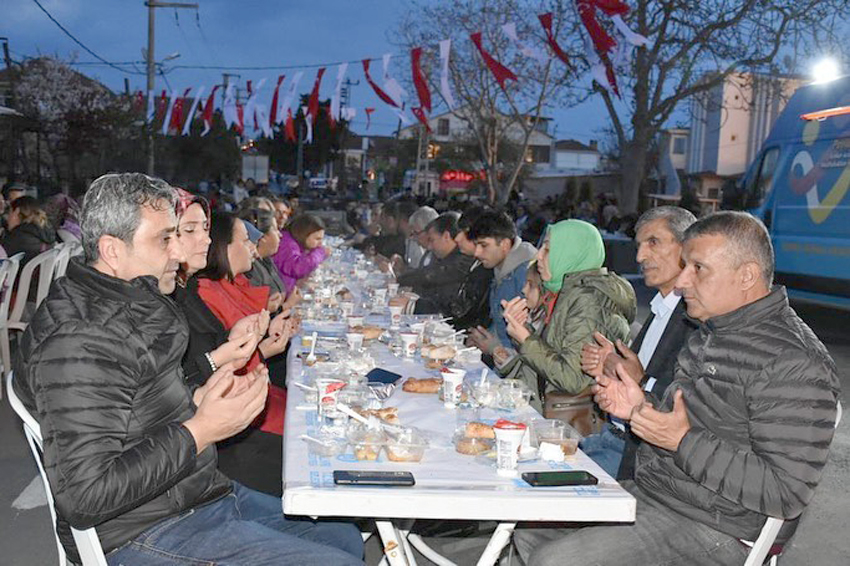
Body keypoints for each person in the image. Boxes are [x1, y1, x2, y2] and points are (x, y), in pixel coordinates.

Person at [13, 173, 364, 566]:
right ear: (113, 250)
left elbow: (140, 404)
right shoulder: (79, 337)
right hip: (138, 531)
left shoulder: (132, 302)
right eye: (165, 239)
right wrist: (200, 430)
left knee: (344, 538)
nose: (178, 253)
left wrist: (204, 391)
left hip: (193, 495)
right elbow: (85, 495)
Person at [515, 211, 841, 566]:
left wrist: (682, 442)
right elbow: (689, 419)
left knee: (557, 560)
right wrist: (640, 404)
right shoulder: (711, 331)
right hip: (661, 493)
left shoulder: (794, 361)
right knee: (530, 528)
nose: (683, 281)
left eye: (697, 268)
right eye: (684, 266)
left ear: (747, 275)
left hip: (718, 526)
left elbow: (785, 492)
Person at [579, 206, 696, 478]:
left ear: (686, 248)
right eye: (639, 246)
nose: (640, 256)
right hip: (611, 438)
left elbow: (689, 404)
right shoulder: (661, 310)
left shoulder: (695, 319)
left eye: (653, 242)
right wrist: (609, 372)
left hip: (636, 460)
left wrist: (640, 380)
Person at [466, 210, 537, 348]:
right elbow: (500, 324)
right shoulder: (500, 268)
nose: (476, 253)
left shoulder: (527, 275)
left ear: (504, 244)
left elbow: (531, 339)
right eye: (476, 245)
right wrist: (481, 338)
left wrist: (494, 348)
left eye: (484, 245)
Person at [396, 212, 474, 316]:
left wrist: (399, 281)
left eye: (432, 240)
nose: (429, 247)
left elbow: (430, 276)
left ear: (446, 236)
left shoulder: (463, 260)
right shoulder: (445, 258)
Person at [448, 205, 493, 330]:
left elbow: (466, 316)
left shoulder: (488, 270)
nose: (457, 238)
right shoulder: (475, 263)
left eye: (465, 232)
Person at [272, 213, 328, 293]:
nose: (320, 244)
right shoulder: (287, 244)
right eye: (317, 239)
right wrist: (320, 252)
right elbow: (298, 267)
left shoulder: (295, 243)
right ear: (303, 235)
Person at [240, 208, 288, 296]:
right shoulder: (250, 269)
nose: (280, 235)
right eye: (275, 230)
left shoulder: (267, 260)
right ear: (263, 236)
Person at [2, 195, 56, 266]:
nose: (7, 218)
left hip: (21, 276)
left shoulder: (17, 238)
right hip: (43, 276)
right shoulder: (46, 234)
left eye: (9, 213)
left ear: (16, 212)